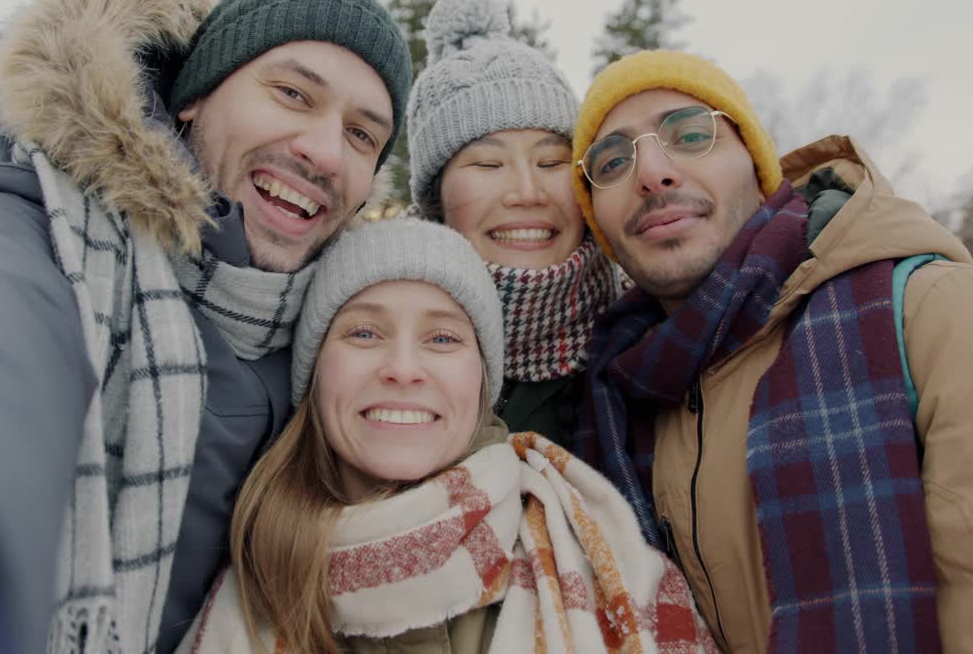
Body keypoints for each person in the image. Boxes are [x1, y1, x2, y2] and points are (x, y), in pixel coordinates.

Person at [0, 0, 411, 654]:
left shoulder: (343, 329)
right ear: (195, 96)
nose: (325, 152)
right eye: (293, 94)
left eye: (362, 134)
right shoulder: (29, 229)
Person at [570, 49, 973, 653]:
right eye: (612, 160)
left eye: (692, 133)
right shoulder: (623, 406)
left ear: (758, 171)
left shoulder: (953, 320)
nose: (652, 172)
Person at [174, 218, 717, 654]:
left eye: (442, 337)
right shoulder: (245, 580)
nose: (403, 369)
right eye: (364, 332)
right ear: (314, 372)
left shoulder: (617, 568)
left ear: (483, 380)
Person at [406, 0, 621, 448]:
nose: (527, 192)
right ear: (435, 200)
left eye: (551, 163)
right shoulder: (381, 350)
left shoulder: (645, 340)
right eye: (487, 165)